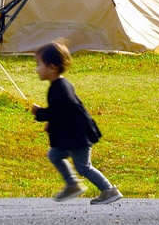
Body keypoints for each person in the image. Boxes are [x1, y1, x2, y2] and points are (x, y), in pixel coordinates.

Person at [32, 40, 120, 205]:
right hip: (73, 135)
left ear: (52, 67)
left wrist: (40, 113)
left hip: (77, 136)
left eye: (39, 64)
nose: (37, 69)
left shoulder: (59, 88)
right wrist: (52, 122)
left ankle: (108, 190)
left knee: (84, 167)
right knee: (55, 154)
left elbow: (57, 111)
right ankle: (72, 184)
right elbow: (65, 112)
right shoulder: (60, 86)